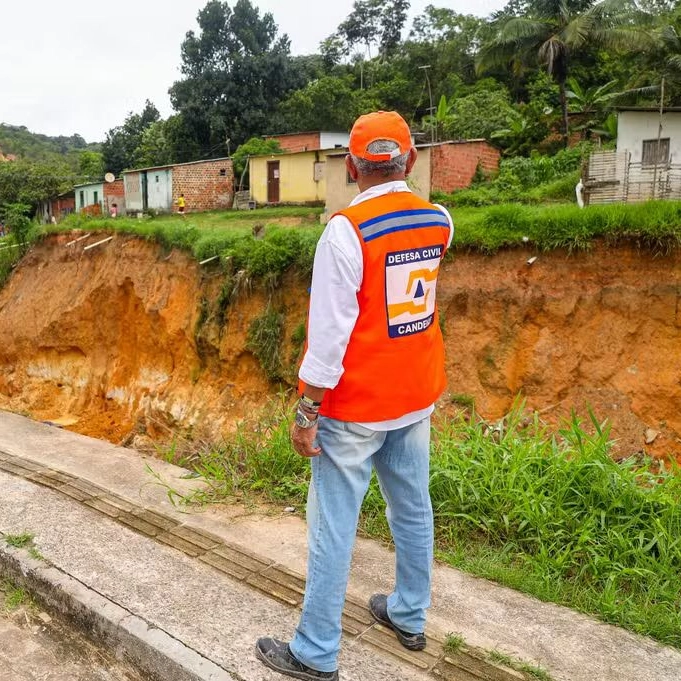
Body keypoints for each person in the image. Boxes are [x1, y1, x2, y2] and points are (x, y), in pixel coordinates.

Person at [255, 111, 454, 680]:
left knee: (334, 524)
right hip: (415, 399)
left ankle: (315, 651)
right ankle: (409, 614)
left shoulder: (346, 231)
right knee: (412, 508)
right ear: (410, 161)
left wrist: (306, 409)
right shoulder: (439, 220)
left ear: (350, 165)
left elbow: (329, 336)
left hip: (356, 407)